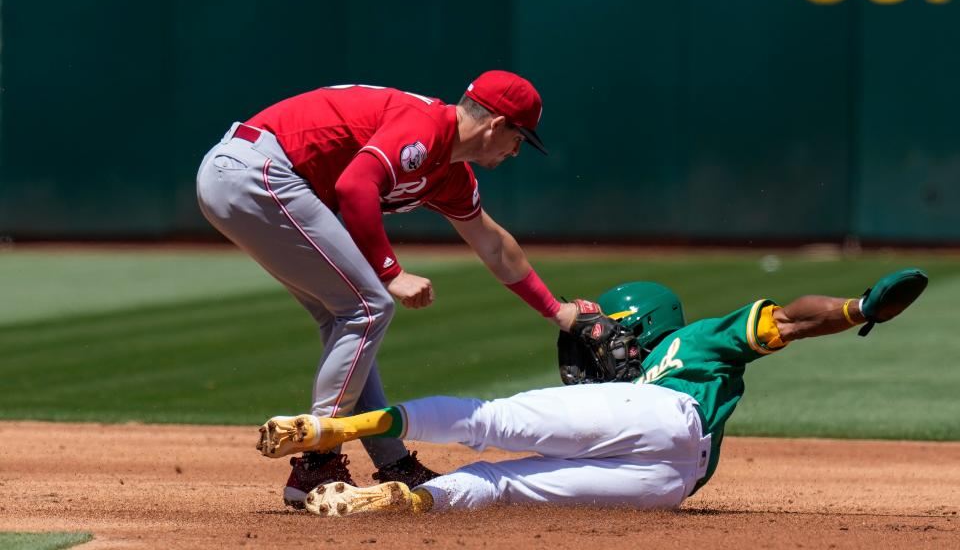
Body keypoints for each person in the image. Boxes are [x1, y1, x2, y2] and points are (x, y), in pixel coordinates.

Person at [196, 71, 602, 509]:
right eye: (519, 137)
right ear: (496, 124)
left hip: (255, 175)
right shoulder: (426, 128)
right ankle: (316, 459)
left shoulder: (451, 174)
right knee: (368, 307)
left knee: (349, 317)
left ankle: (390, 463)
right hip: (255, 170)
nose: (518, 149)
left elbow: (494, 245)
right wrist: (390, 273)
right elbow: (355, 186)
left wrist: (555, 311)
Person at [254, 268, 928, 516]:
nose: (598, 344)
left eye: (613, 330)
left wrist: (855, 307)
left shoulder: (689, 341)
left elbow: (786, 318)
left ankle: (332, 430)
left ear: (645, 328)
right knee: (505, 489)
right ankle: (395, 499)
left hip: (661, 410)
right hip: (669, 485)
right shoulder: (690, 354)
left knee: (494, 422)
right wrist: (860, 308)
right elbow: (785, 325)